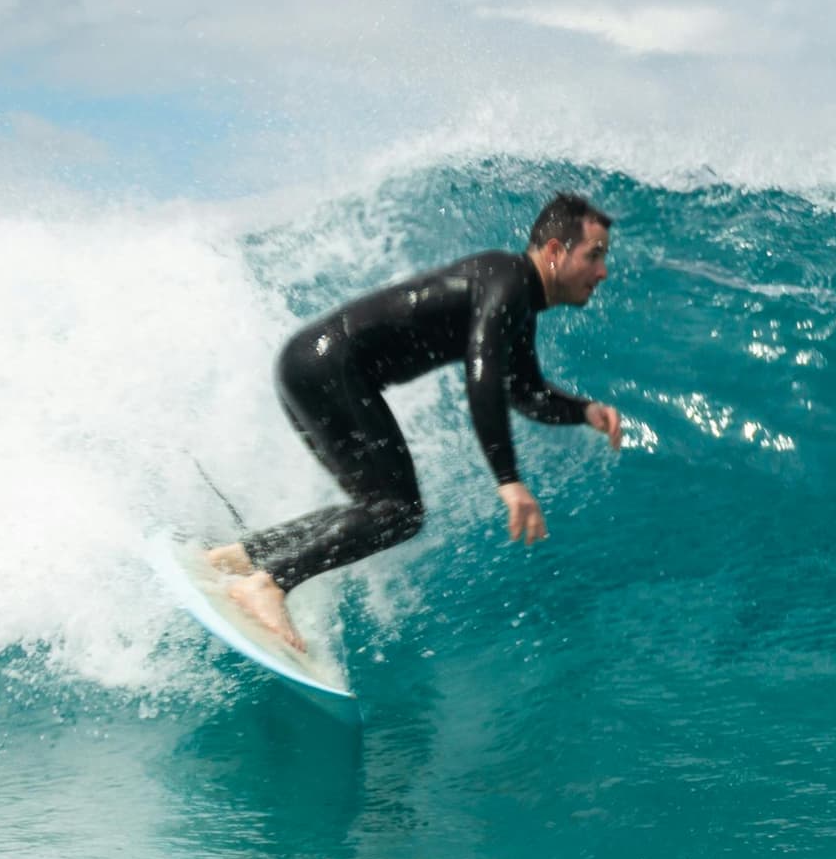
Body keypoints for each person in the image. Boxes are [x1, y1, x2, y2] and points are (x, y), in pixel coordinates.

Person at [210, 192, 626, 651]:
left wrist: (582, 411)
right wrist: (508, 479)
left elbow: (523, 392)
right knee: (397, 511)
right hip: (327, 368)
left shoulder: (517, 301)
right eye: (595, 255)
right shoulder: (506, 279)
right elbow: (482, 370)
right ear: (554, 252)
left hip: (311, 364)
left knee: (380, 507)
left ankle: (242, 558)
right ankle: (267, 584)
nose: (603, 272)